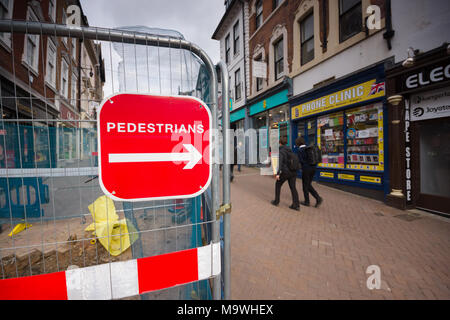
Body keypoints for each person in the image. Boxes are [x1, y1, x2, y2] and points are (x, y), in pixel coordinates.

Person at [271, 137, 300, 211]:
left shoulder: (281, 151)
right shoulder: (289, 150)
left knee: (278, 184)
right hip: (293, 171)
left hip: (286, 172)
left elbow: (279, 163)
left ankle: (276, 201)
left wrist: (277, 174)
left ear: (279, 143)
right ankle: (296, 205)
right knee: (293, 187)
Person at [295, 137, 323, 208]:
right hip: (313, 168)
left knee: (305, 185)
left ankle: (312, 200)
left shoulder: (300, 150)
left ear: (298, 143)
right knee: (308, 185)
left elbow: (301, 161)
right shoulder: (309, 148)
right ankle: (315, 199)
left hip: (306, 169)